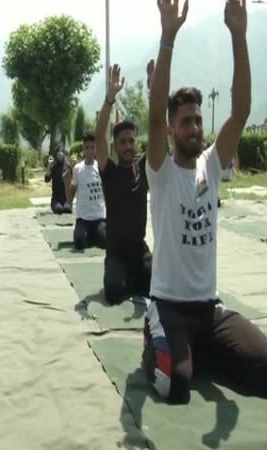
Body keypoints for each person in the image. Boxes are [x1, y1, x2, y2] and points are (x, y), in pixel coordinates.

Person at [144, 0, 267, 404]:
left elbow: (242, 109)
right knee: (176, 385)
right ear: (172, 129)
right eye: (186, 122)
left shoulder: (211, 166)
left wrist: (238, 35)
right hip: (169, 309)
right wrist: (167, 38)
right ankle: (166, 346)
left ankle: (201, 353)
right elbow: (152, 120)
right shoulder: (160, 170)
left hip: (208, 310)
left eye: (198, 120)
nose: (195, 127)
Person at [95, 63, 153, 305]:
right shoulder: (109, 171)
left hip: (140, 252)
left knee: (161, 287)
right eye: (123, 142)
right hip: (116, 254)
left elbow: (160, 129)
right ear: (116, 146)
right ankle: (126, 279)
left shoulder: (145, 168)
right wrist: (109, 100)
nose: (128, 146)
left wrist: (153, 91)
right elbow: (99, 136)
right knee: (113, 292)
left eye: (131, 141)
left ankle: (137, 278)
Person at [66, 132, 106, 250]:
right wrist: (68, 203)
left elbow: (106, 191)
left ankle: (96, 234)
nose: (89, 151)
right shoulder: (78, 169)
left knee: (106, 241)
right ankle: (89, 236)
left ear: (95, 149)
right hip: (83, 219)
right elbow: (72, 189)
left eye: (92, 147)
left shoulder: (100, 167)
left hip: (99, 217)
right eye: (86, 148)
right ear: (83, 149)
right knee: (79, 242)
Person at [44, 145, 72, 214]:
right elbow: (46, 179)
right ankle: (57, 206)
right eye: (58, 152)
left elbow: (73, 179)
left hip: (66, 199)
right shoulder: (53, 167)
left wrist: (71, 165)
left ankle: (66, 205)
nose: (60, 154)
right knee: (59, 209)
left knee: (67, 209)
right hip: (56, 199)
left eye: (61, 152)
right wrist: (49, 165)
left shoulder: (67, 166)